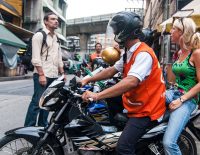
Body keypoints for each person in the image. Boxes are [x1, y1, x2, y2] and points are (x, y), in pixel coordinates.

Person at [81, 11, 166, 155]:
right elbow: (111, 70)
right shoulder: (129, 52)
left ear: (124, 31)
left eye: (116, 30)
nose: (115, 34)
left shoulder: (143, 54)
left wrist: (97, 95)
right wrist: (89, 79)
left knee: (123, 148)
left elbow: (131, 81)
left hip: (146, 110)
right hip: (136, 103)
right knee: (108, 103)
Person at [163, 17, 200, 155]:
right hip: (173, 93)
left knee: (169, 143)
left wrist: (181, 100)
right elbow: (172, 80)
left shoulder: (196, 53)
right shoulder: (179, 53)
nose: (171, 31)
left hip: (188, 99)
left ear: (182, 32)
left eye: (174, 29)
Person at [24, 12, 66, 127]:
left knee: (48, 103)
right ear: (46, 22)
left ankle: (42, 125)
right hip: (42, 74)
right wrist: (41, 74)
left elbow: (58, 57)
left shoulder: (57, 38)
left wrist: (62, 73)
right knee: (37, 102)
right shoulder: (39, 35)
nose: (56, 21)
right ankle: (28, 127)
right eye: (52, 19)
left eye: (57, 20)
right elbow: (36, 58)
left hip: (53, 75)